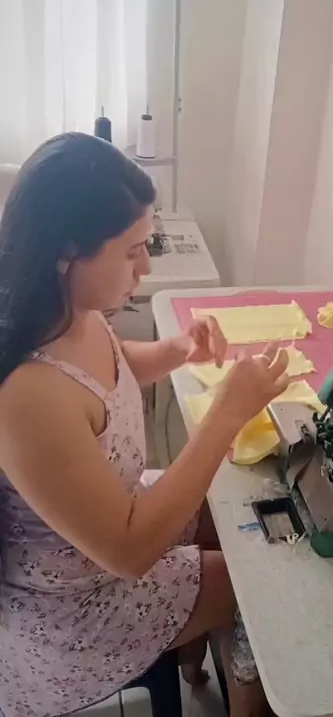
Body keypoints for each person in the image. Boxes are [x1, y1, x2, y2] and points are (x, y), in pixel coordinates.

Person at [0, 133, 290, 717]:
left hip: (109, 530)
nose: (147, 266)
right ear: (67, 252)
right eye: (133, 251)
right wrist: (227, 413)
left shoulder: (69, 312)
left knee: (229, 515)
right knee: (263, 584)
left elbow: (112, 371)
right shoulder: (27, 397)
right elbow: (130, 552)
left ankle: (190, 657)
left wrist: (179, 349)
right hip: (73, 616)